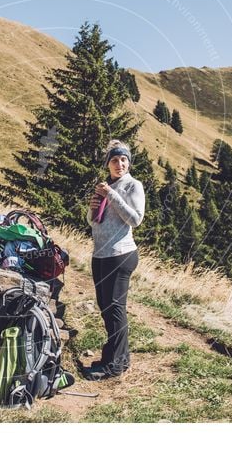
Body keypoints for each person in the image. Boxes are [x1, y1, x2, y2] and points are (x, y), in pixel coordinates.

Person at [85, 139, 145, 380]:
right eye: (114, 160)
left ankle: (116, 366)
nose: (119, 164)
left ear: (128, 163)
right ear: (107, 164)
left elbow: (135, 219)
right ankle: (115, 356)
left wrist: (112, 196)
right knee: (106, 309)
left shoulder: (132, 185)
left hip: (121, 255)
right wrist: (91, 207)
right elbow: (93, 222)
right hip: (100, 254)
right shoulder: (105, 186)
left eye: (123, 160)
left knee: (116, 310)